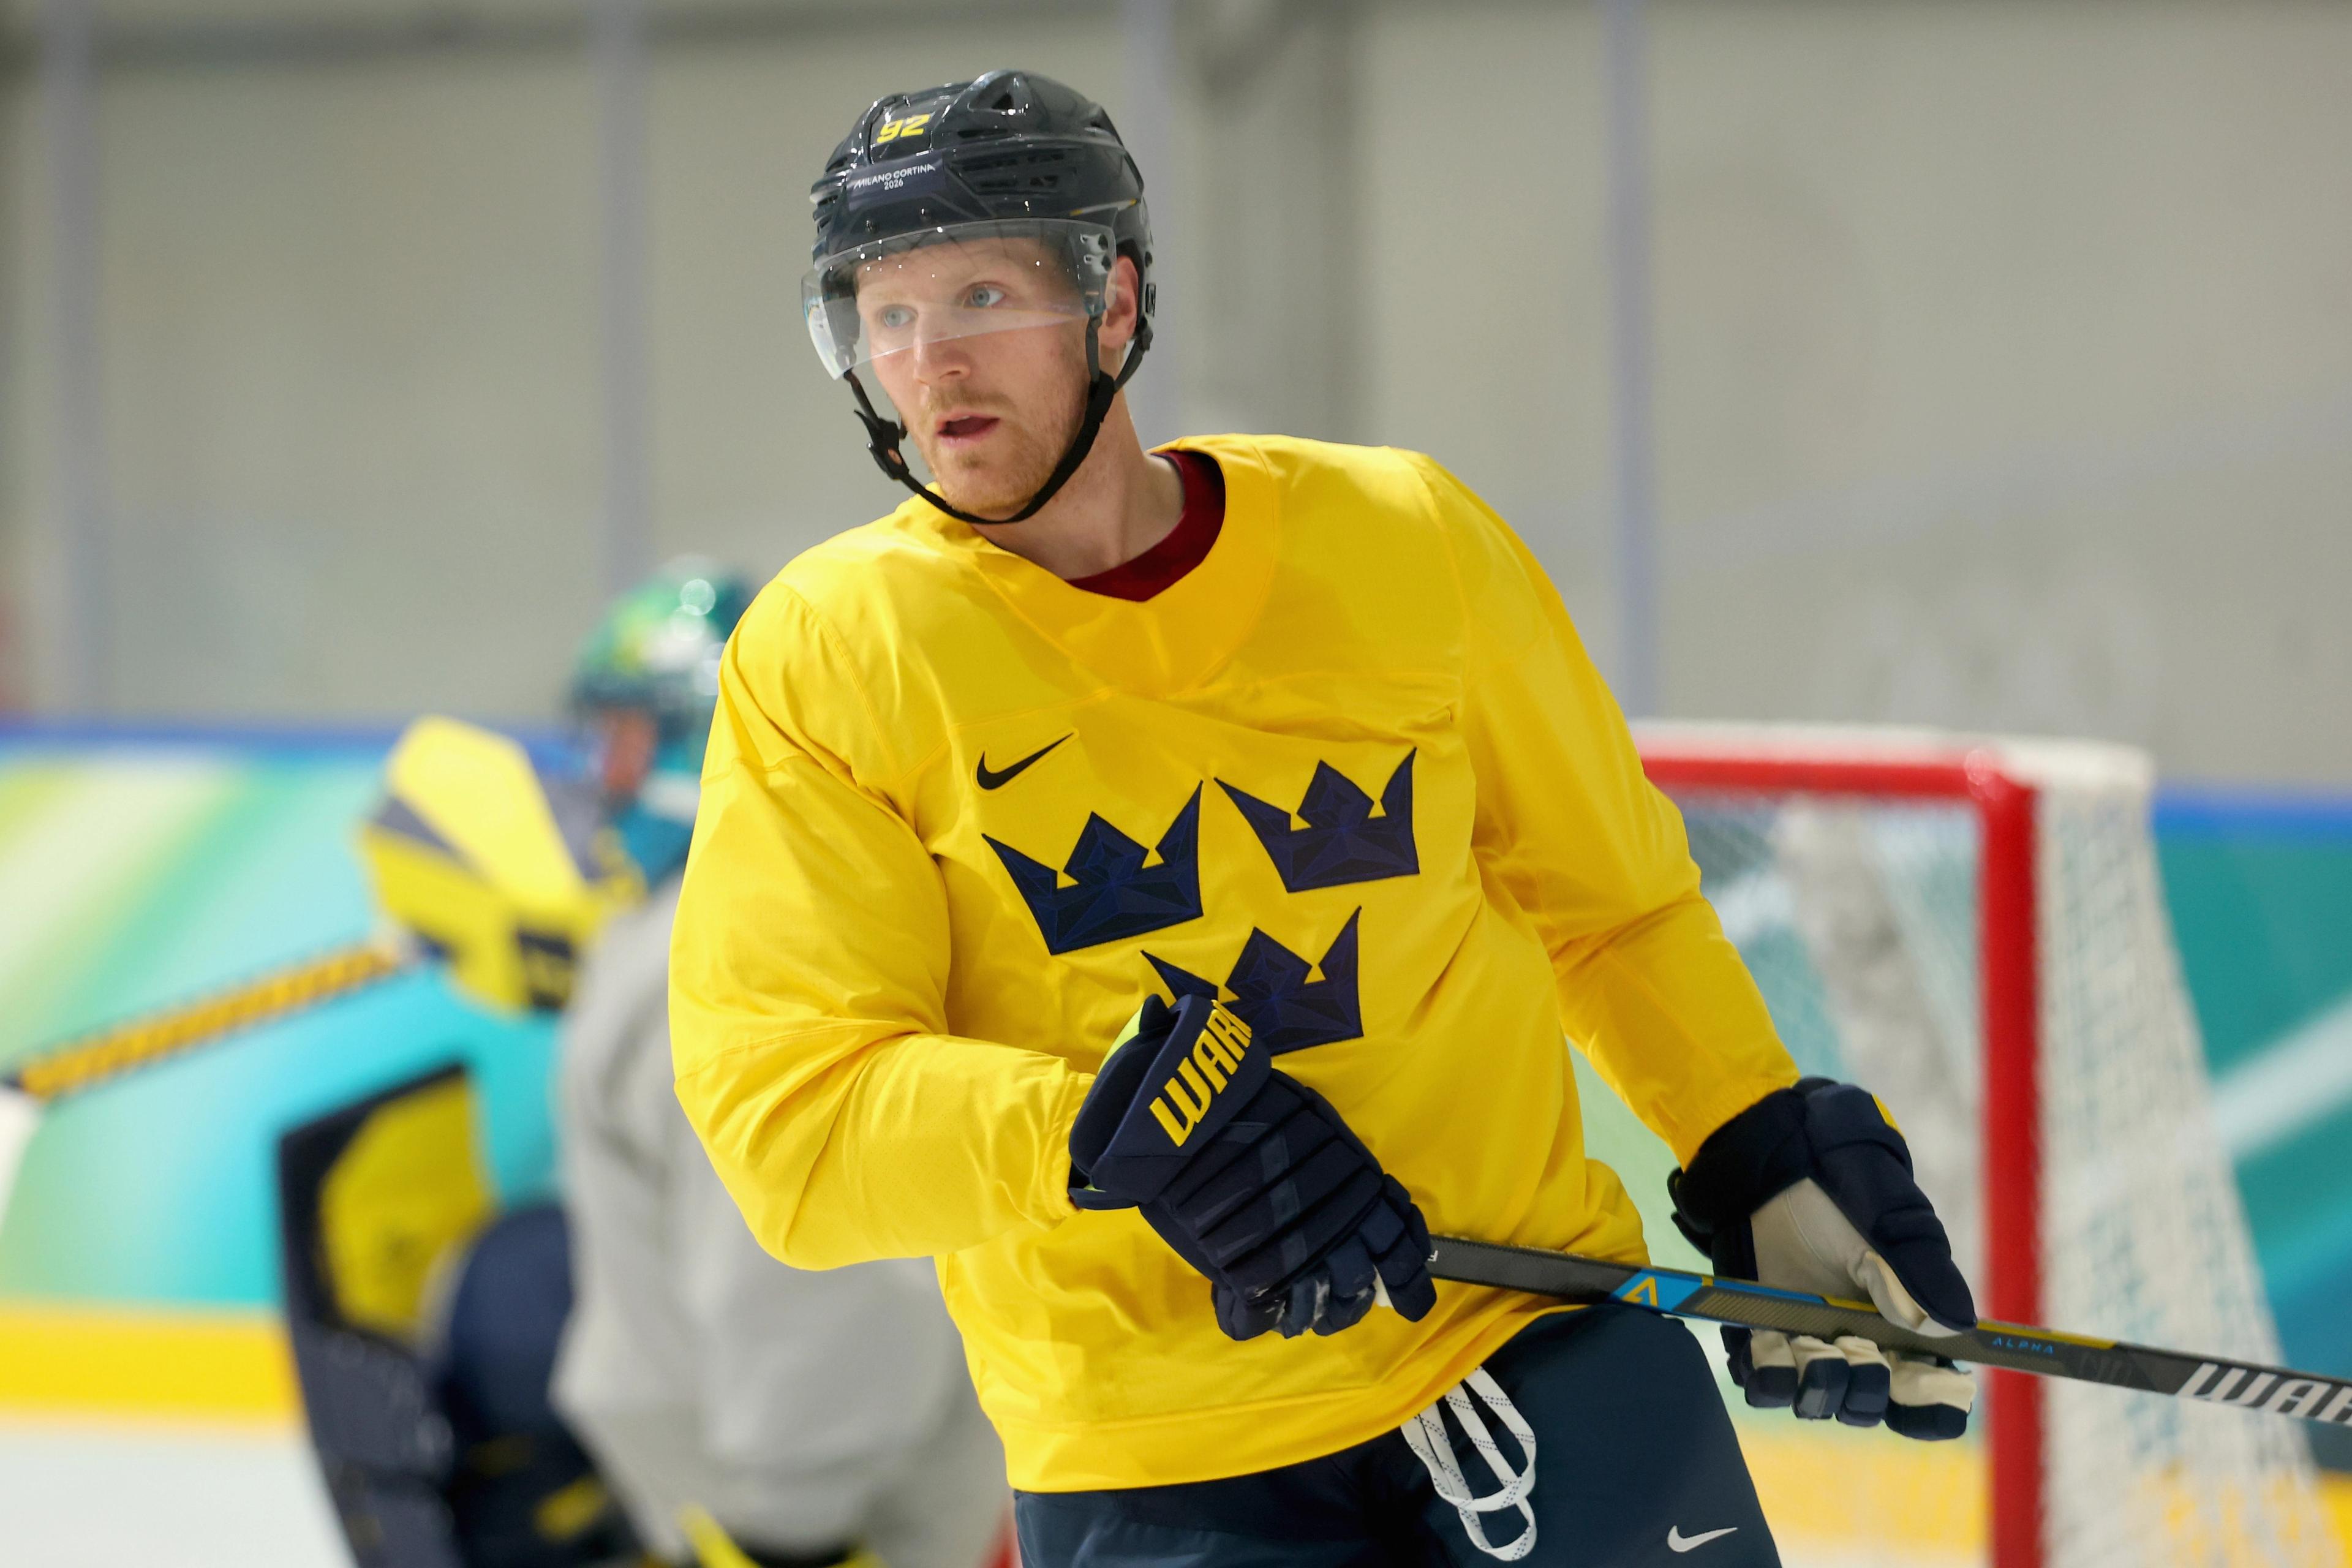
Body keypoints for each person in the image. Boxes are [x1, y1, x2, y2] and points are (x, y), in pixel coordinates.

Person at [669, 72, 1980, 1568]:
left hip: (1547, 1353)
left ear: (1115, 303)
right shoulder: (833, 651)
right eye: (886, 316)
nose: (932, 362)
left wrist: (1747, 1132)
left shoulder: (1405, 536)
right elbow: (792, 1117)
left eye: (979, 292)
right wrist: (1106, 1131)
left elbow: (1607, 902)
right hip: (1164, 1463)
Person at [550, 560, 1011, 1568]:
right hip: (871, 1476)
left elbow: (800, 1273)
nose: (606, 774)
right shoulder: (760, 910)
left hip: (806, 1507)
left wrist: (785, 1525)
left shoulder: (716, 956)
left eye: (627, 738)